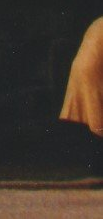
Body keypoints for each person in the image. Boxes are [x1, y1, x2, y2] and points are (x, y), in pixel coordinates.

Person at [61, 15, 103, 180]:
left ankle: (96, 168)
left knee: (93, 118)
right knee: (97, 120)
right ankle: (97, 169)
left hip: (83, 70)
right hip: (93, 72)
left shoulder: (99, 22)